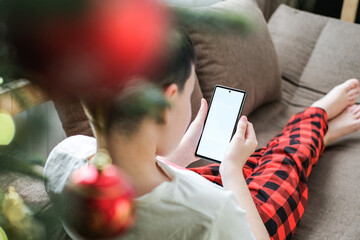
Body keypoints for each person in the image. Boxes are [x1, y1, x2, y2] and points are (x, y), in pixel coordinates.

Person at [44, 32, 360, 240]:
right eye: (186, 94)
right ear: (166, 102)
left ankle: (315, 134)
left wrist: (179, 156)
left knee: (255, 160)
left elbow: (128, 173)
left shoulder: (63, 157)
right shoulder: (210, 212)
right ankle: (312, 119)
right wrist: (231, 170)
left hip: (181, 187)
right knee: (281, 162)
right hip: (243, 224)